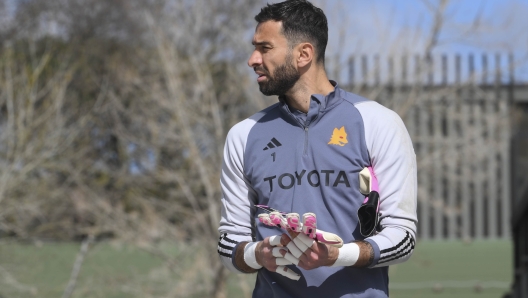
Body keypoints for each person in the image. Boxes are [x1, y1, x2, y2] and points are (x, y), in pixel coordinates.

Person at [217, 0, 417, 297]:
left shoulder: (378, 122)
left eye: (265, 48)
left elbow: (403, 239)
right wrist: (258, 254)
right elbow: (229, 242)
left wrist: (338, 255)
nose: (252, 59)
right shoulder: (243, 135)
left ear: (304, 54)